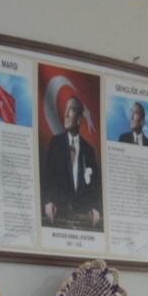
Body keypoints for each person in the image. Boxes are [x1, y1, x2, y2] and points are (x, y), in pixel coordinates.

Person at [42, 93, 100, 227]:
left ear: (79, 119)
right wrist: (48, 201)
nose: (66, 114)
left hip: (82, 220)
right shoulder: (55, 144)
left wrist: (96, 207)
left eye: (71, 110)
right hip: (58, 217)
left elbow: (95, 186)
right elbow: (47, 177)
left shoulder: (89, 151)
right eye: (66, 109)